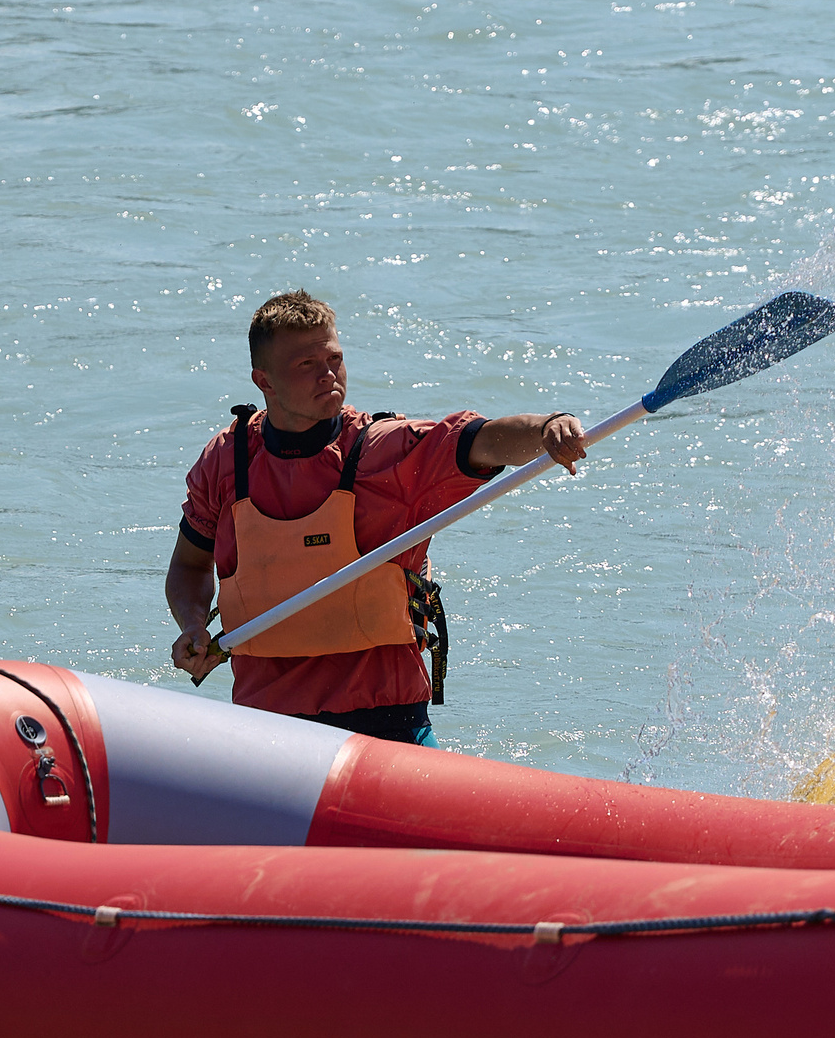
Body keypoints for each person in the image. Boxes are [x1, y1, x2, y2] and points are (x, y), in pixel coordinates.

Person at [164, 290, 588, 744]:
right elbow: (189, 566)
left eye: (334, 358)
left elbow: (480, 441)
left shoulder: (385, 452)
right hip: (266, 728)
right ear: (263, 380)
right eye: (307, 365)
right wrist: (192, 623)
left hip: (388, 722)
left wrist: (547, 427)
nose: (328, 374)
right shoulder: (226, 462)